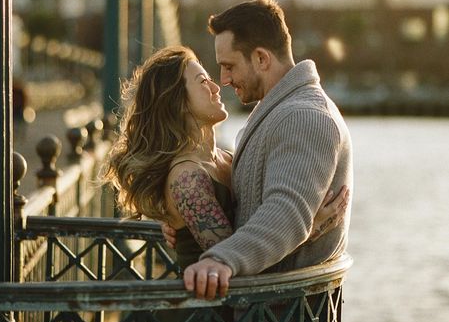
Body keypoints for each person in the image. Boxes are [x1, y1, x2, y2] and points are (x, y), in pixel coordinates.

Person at [167, 0, 354, 302]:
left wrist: (220, 259)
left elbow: (287, 212)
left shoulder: (303, 116)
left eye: (229, 66)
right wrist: (183, 224)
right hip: (266, 315)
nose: (223, 80)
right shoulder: (278, 111)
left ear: (261, 59)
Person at [103, 45, 349, 274]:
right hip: (208, 315)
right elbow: (235, 267)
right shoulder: (187, 179)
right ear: (178, 103)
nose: (216, 87)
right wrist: (309, 227)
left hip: (239, 314)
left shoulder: (227, 159)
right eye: (203, 82)